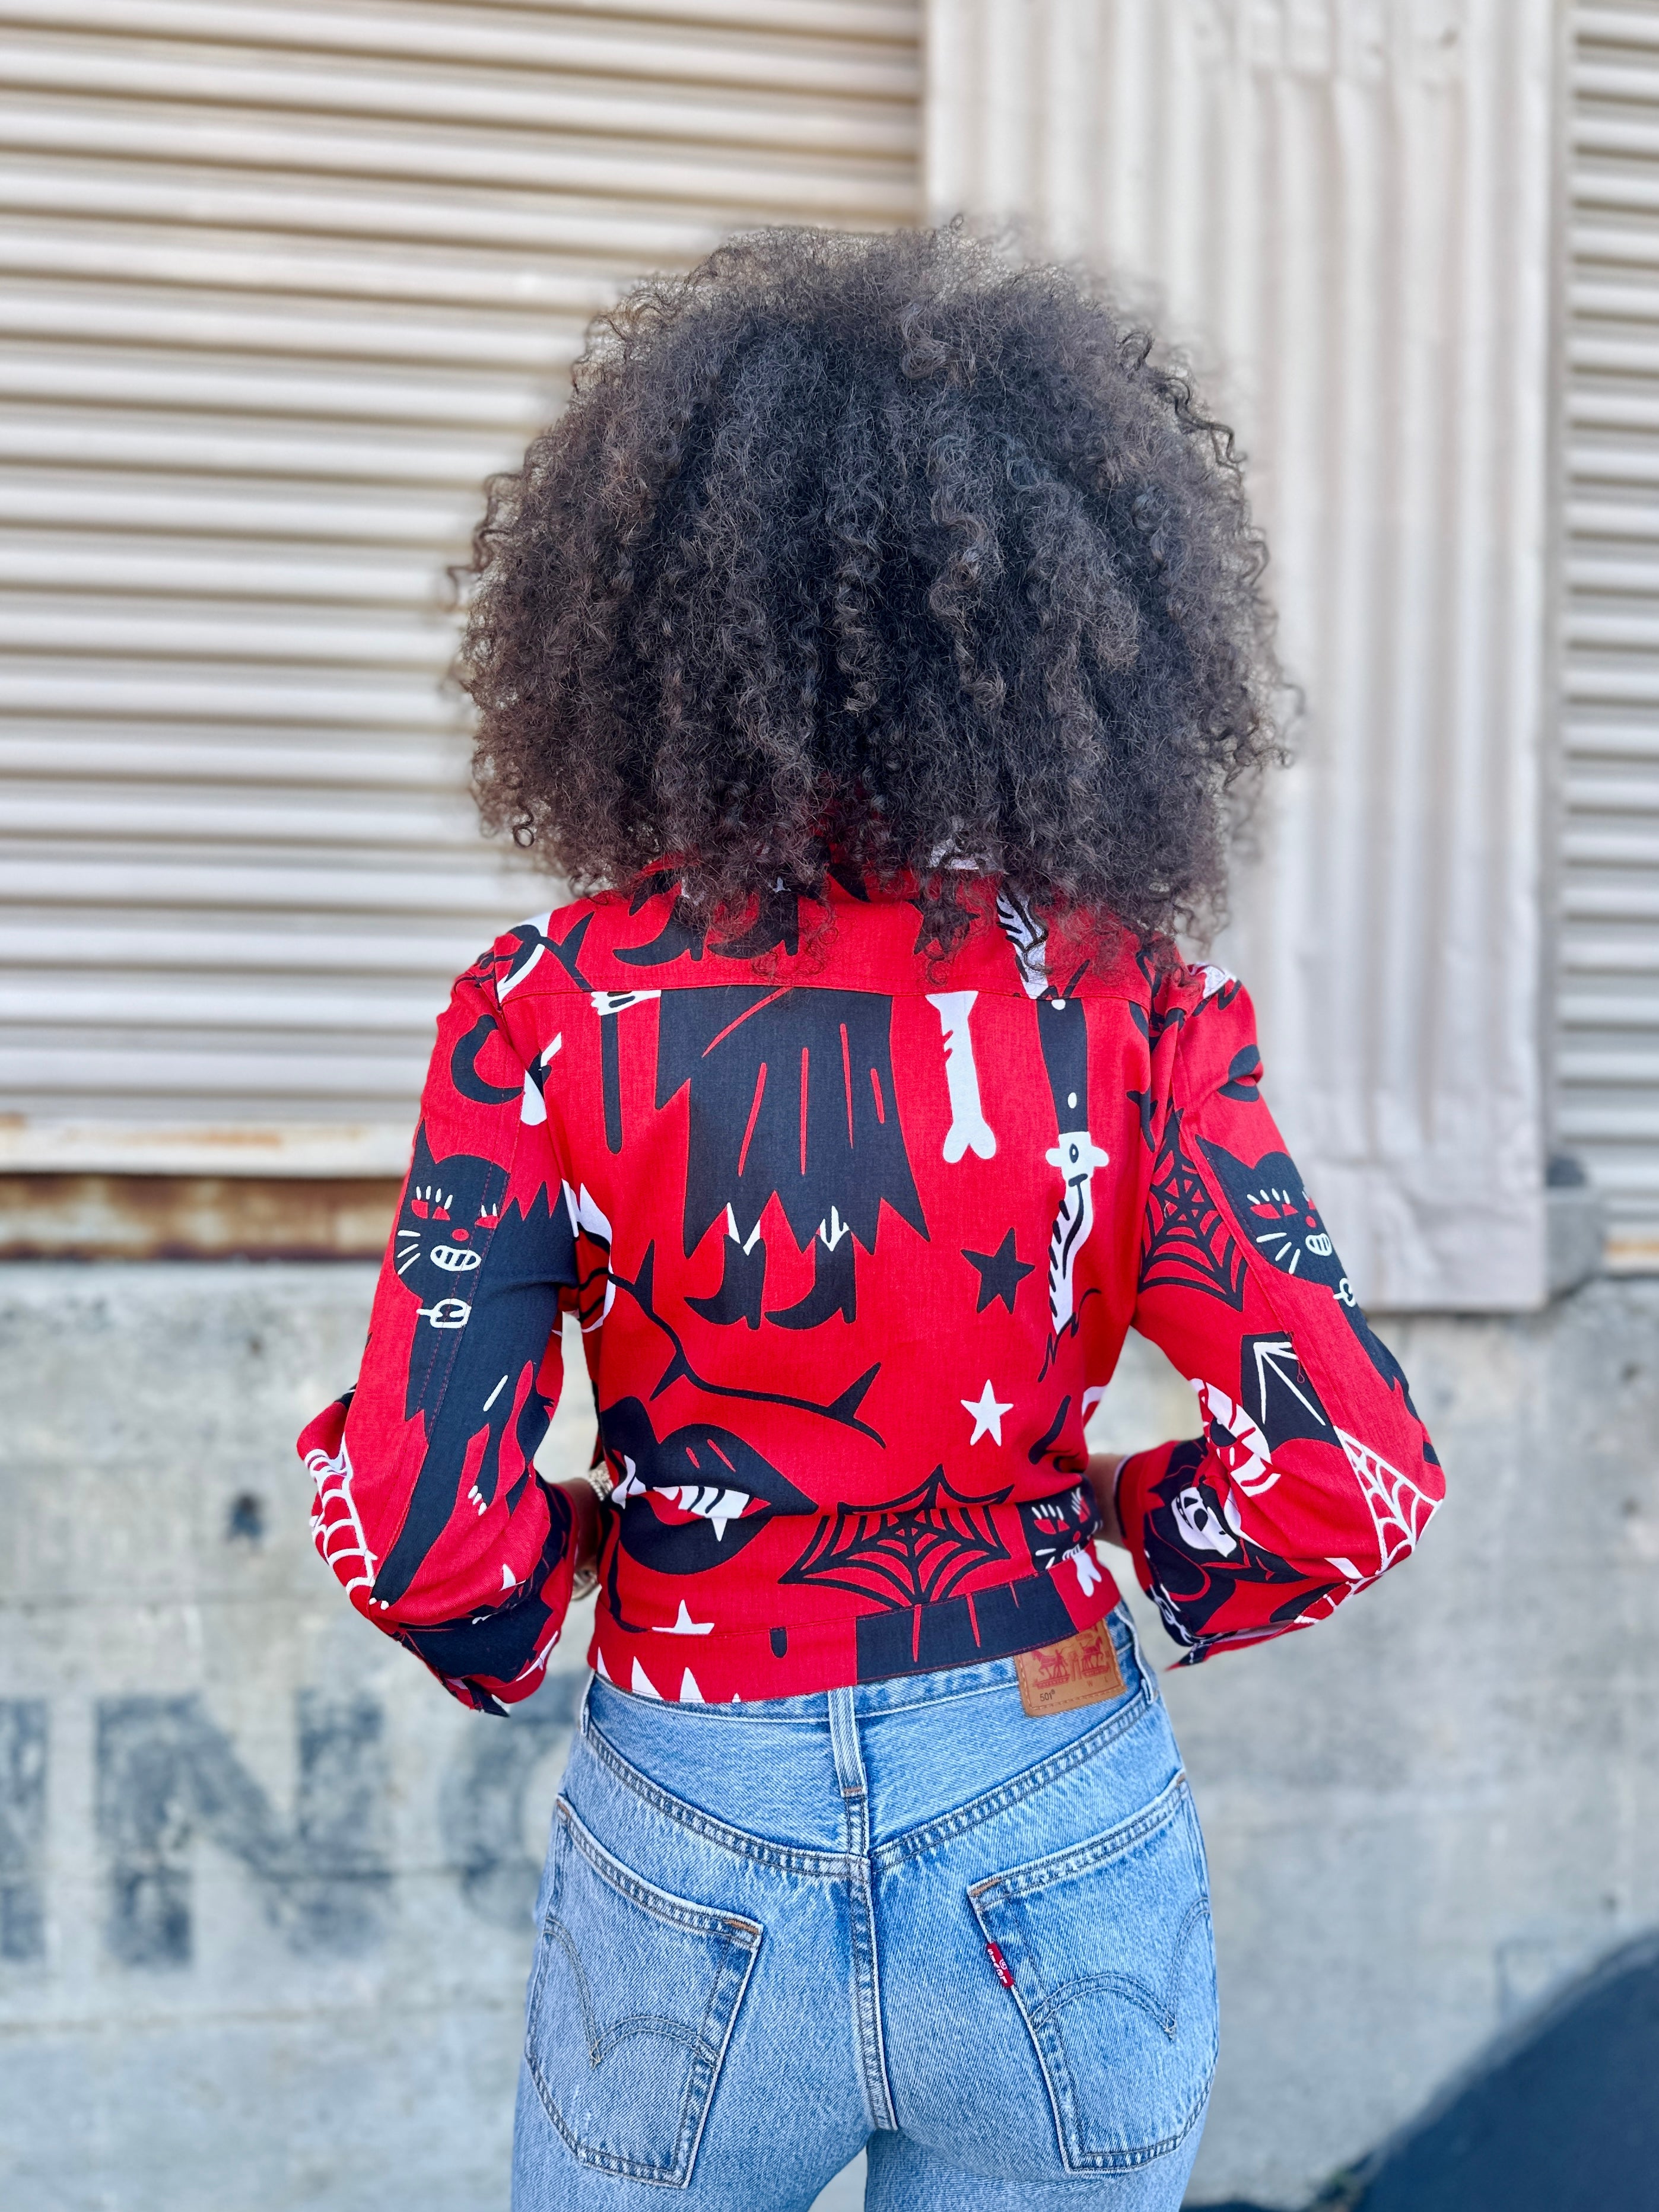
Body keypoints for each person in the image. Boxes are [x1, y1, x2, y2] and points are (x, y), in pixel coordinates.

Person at [299, 227, 1442, 2211]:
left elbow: (428, 1550)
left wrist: (616, 1553)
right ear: (1088, 641)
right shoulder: (1131, 1011)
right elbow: (1349, 1476)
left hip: (690, 1813)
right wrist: (1092, 1529)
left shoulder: (548, 1017)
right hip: (1054, 1795)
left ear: (641, 627)